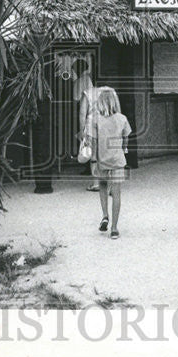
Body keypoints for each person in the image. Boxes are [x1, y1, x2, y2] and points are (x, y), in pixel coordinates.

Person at [86, 86, 132, 239]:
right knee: (117, 193)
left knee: (103, 187)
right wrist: (123, 148)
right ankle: (114, 229)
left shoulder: (95, 120)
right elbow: (126, 138)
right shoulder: (122, 118)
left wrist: (93, 159)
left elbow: (93, 141)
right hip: (117, 160)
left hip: (101, 160)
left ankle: (105, 215)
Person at [71, 57, 100, 191]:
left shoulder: (82, 80)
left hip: (87, 116)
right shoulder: (84, 80)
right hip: (98, 121)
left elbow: (79, 101)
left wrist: (82, 128)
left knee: (88, 147)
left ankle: (95, 181)